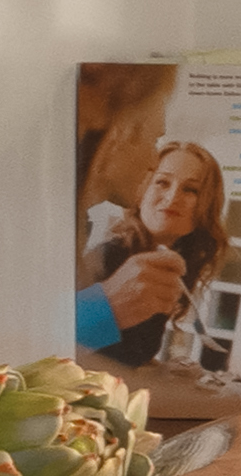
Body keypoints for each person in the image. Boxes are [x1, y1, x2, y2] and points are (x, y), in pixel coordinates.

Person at [79, 140, 225, 365]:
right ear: (142, 190)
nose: (172, 197)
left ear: (207, 205)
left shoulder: (169, 264)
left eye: (190, 189)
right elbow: (77, 356)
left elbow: (127, 354)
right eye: (162, 182)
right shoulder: (110, 257)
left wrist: (161, 368)